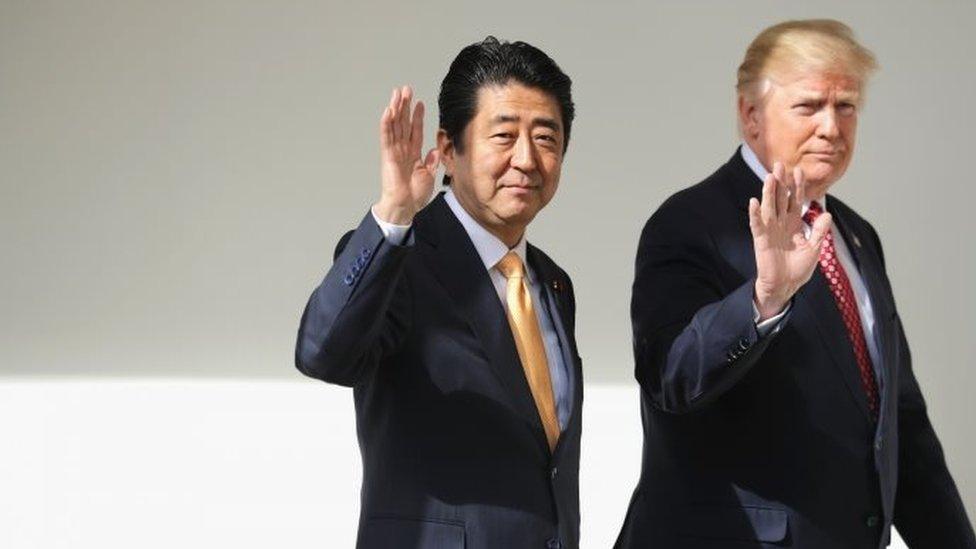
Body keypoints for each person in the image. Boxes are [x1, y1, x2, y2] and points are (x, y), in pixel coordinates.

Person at [615, 19, 975, 548]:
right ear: (750, 115)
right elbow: (670, 377)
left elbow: (899, 423)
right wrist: (764, 300)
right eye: (809, 106)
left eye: (846, 106)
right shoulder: (691, 223)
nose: (831, 127)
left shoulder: (855, 235)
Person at [295, 37, 582, 549]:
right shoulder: (401, 259)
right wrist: (392, 215)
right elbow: (322, 353)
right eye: (503, 136)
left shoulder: (553, 283)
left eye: (546, 138)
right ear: (449, 149)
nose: (527, 159)